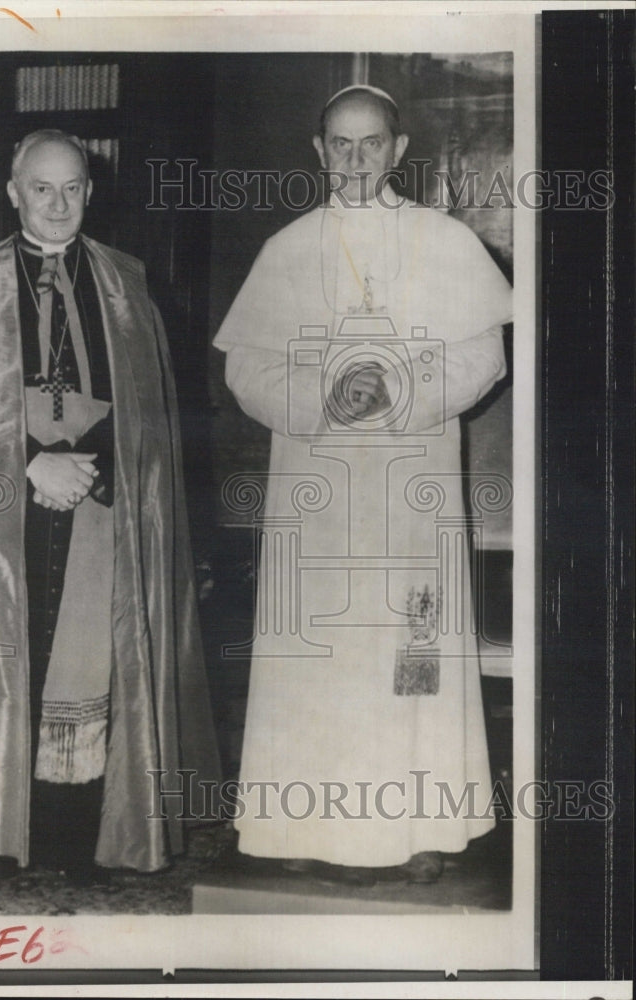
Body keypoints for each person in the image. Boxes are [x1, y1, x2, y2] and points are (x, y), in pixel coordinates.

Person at [214, 85, 512, 883]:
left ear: (399, 149)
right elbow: (246, 366)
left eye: (370, 144)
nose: (354, 160)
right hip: (316, 493)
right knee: (318, 658)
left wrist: (397, 387)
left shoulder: (444, 240)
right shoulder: (286, 248)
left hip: (410, 491)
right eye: (339, 146)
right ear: (318, 153)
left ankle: (419, 827)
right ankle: (301, 832)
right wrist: (322, 395)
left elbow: (484, 357)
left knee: (411, 653)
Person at [0, 129, 221, 885]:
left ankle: (84, 834)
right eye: (40, 188)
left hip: (102, 500)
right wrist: (29, 463)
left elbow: (152, 419)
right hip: (0, 514)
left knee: (95, 656)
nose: (57, 203)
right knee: (2, 655)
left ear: (90, 191)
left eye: (72, 188)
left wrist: (94, 466)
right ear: (11, 193)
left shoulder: (125, 284)